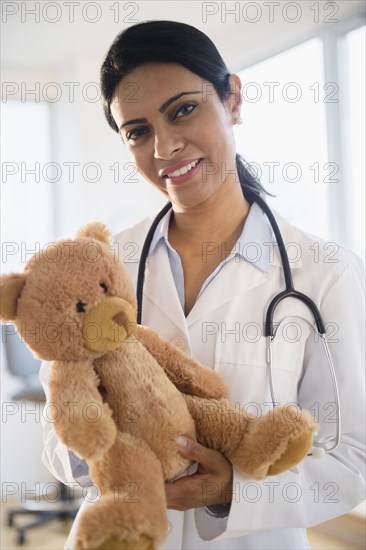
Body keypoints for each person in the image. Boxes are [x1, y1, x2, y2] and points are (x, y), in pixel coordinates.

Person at [40, 20, 365, 550]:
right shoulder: (102, 265)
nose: (165, 146)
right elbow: (55, 429)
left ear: (232, 99)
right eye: (138, 131)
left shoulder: (324, 273)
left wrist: (232, 492)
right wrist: (101, 447)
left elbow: (353, 455)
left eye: (183, 109)